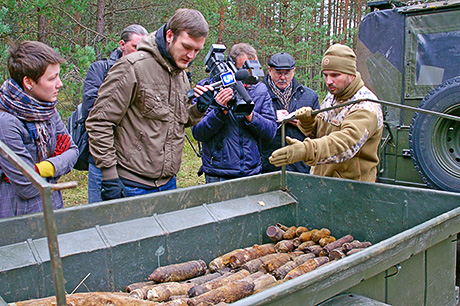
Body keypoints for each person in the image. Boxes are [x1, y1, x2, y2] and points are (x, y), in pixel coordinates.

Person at [86, 8, 213, 201]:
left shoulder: (180, 74)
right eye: (187, 47)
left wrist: (199, 109)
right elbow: (99, 122)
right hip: (131, 184)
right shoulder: (132, 67)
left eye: (197, 50)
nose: (191, 55)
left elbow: (179, 120)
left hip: (168, 183)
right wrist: (109, 175)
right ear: (170, 35)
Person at [269, 44, 384, 182]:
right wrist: (309, 123)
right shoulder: (334, 95)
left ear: (351, 74)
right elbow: (322, 133)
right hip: (324, 181)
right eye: (325, 75)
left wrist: (307, 151)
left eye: (335, 75)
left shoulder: (365, 105)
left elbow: (345, 144)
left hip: (351, 188)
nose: (328, 81)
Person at [0, 41, 78, 218]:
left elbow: (73, 151)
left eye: (58, 76)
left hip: (52, 205)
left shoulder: (48, 109)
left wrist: (41, 168)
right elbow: (27, 186)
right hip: (19, 216)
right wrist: (57, 161)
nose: (60, 84)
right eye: (52, 78)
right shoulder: (5, 122)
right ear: (28, 82)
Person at [191, 43, 276, 183]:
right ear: (231, 67)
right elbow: (199, 133)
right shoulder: (208, 88)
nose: (249, 76)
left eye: (252, 69)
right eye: (244, 70)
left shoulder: (260, 90)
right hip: (218, 173)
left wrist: (251, 117)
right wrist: (220, 111)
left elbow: (270, 132)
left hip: (251, 172)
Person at [82, 24, 148, 204]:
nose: (140, 51)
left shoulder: (147, 72)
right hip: (101, 158)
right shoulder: (100, 69)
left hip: (135, 163)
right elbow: (92, 111)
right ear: (122, 44)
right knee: (99, 218)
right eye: (135, 46)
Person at [261, 52, 320, 174]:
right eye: (278, 73)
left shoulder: (310, 96)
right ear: (270, 70)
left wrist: (303, 124)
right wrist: (271, 117)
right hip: (267, 165)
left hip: (299, 165)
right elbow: (248, 122)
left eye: (287, 73)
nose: (283, 77)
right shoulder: (258, 94)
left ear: (294, 71)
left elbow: (319, 132)